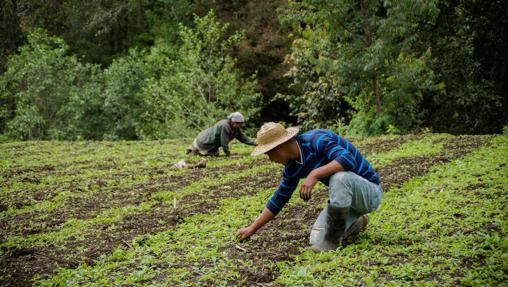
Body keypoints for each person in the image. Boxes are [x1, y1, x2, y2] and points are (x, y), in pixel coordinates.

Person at [235, 122, 383, 252]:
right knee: (316, 240)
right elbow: (278, 200)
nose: (270, 159)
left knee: (339, 177)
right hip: (347, 203)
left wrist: (314, 174)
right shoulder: (292, 168)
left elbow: (348, 159)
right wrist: (252, 228)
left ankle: (332, 241)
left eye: (268, 154)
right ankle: (357, 222)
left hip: (370, 193)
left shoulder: (316, 139)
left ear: (278, 148)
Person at [186, 112, 256, 157]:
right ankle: (195, 151)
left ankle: (196, 151)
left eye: (240, 124)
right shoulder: (225, 126)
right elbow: (224, 142)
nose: (239, 125)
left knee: (215, 154)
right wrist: (228, 154)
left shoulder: (235, 128)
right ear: (233, 121)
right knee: (213, 155)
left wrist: (255, 143)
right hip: (204, 142)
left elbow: (243, 138)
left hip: (209, 142)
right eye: (238, 123)